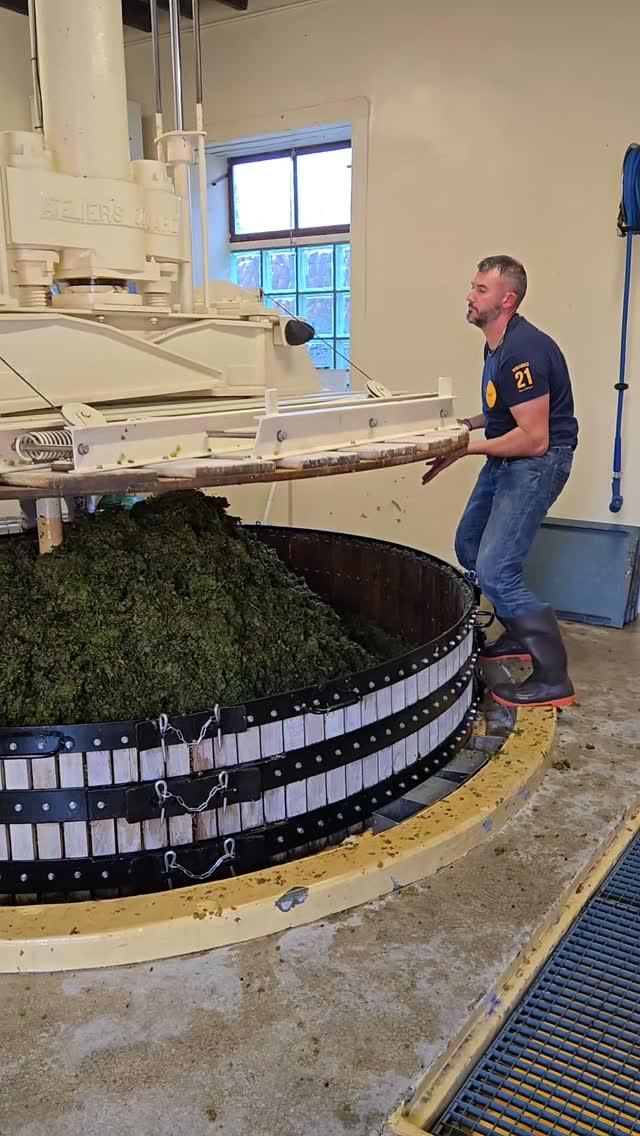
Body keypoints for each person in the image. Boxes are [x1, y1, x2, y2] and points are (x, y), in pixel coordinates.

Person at [422, 255, 578, 709]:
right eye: (472, 287)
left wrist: (465, 450)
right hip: (507, 460)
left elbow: (534, 438)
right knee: (469, 545)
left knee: (495, 570)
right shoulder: (497, 345)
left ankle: (554, 679)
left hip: (537, 463)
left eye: (481, 290)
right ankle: (517, 635)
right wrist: (463, 426)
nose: (469, 296)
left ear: (507, 300)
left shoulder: (523, 350)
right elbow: (503, 410)